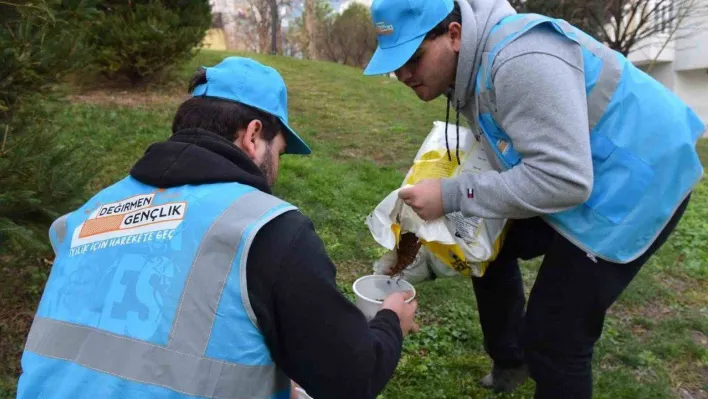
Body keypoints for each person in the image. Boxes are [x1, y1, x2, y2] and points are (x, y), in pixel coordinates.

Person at [16, 56, 419, 399]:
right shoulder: (266, 230)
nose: (276, 170)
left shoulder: (87, 214)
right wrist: (390, 322)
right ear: (253, 135)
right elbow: (353, 377)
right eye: (278, 152)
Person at [363, 0, 705, 397]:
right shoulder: (468, 65)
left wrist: (452, 195)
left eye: (414, 57)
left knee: (556, 339)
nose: (403, 74)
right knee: (490, 248)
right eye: (396, 60)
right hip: (580, 168)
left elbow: (563, 180)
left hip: (637, 178)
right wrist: (427, 251)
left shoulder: (520, 59)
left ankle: (537, 357)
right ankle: (511, 359)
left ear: (454, 35)